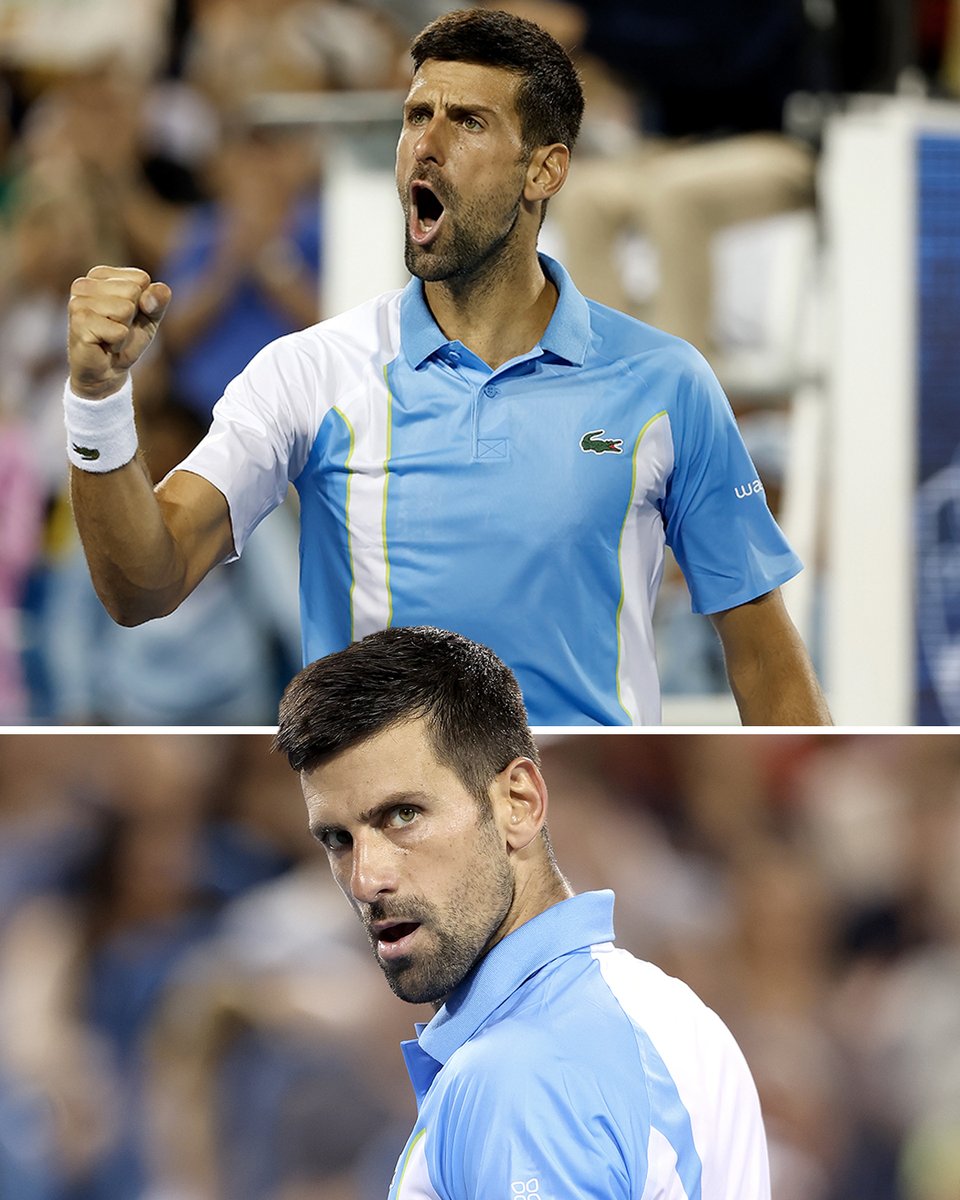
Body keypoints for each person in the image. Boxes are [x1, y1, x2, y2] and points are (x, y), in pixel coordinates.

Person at [64, 7, 830, 725]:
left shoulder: (670, 382)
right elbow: (142, 585)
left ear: (545, 171)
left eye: (467, 122)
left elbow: (766, 661)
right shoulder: (305, 373)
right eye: (414, 116)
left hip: (575, 809)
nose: (425, 145)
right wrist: (97, 403)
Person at [274, 624, 772, 1199]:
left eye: (403, 815)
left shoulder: (517, 1073)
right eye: (338, 838)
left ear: (519, 803)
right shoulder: (668, 1008)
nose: (365, 879)